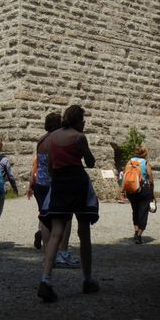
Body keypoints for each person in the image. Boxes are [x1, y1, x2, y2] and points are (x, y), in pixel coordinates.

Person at [37, 105, 99, 302]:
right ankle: (87, 279)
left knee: (56, 233)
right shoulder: (79, 137)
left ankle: (45, 280)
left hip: (59, 183)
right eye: (83, 120)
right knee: (84, 232)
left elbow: (50, 166)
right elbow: (90, 162)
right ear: (78, 120)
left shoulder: (52, 138)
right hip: (77, 183)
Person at [26, 112, 80, 268]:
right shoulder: (55, 140)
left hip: (40, 184)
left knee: (45, 219)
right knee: (66, 218)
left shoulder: (41, 140)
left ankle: (48, 255)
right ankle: (62, 252)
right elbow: (56, 163)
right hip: (53, 183)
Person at [124, 145, 155, 244]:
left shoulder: (130, 161)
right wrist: (152, 193)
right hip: (143, 190)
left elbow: (125, 175)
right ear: (145, 154)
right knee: (143, 212)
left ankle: (136, 231)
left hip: (131, 190)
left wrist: (123, 191)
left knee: (135, 211)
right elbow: (151, 179)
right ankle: (139, 235)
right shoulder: (145, 163)